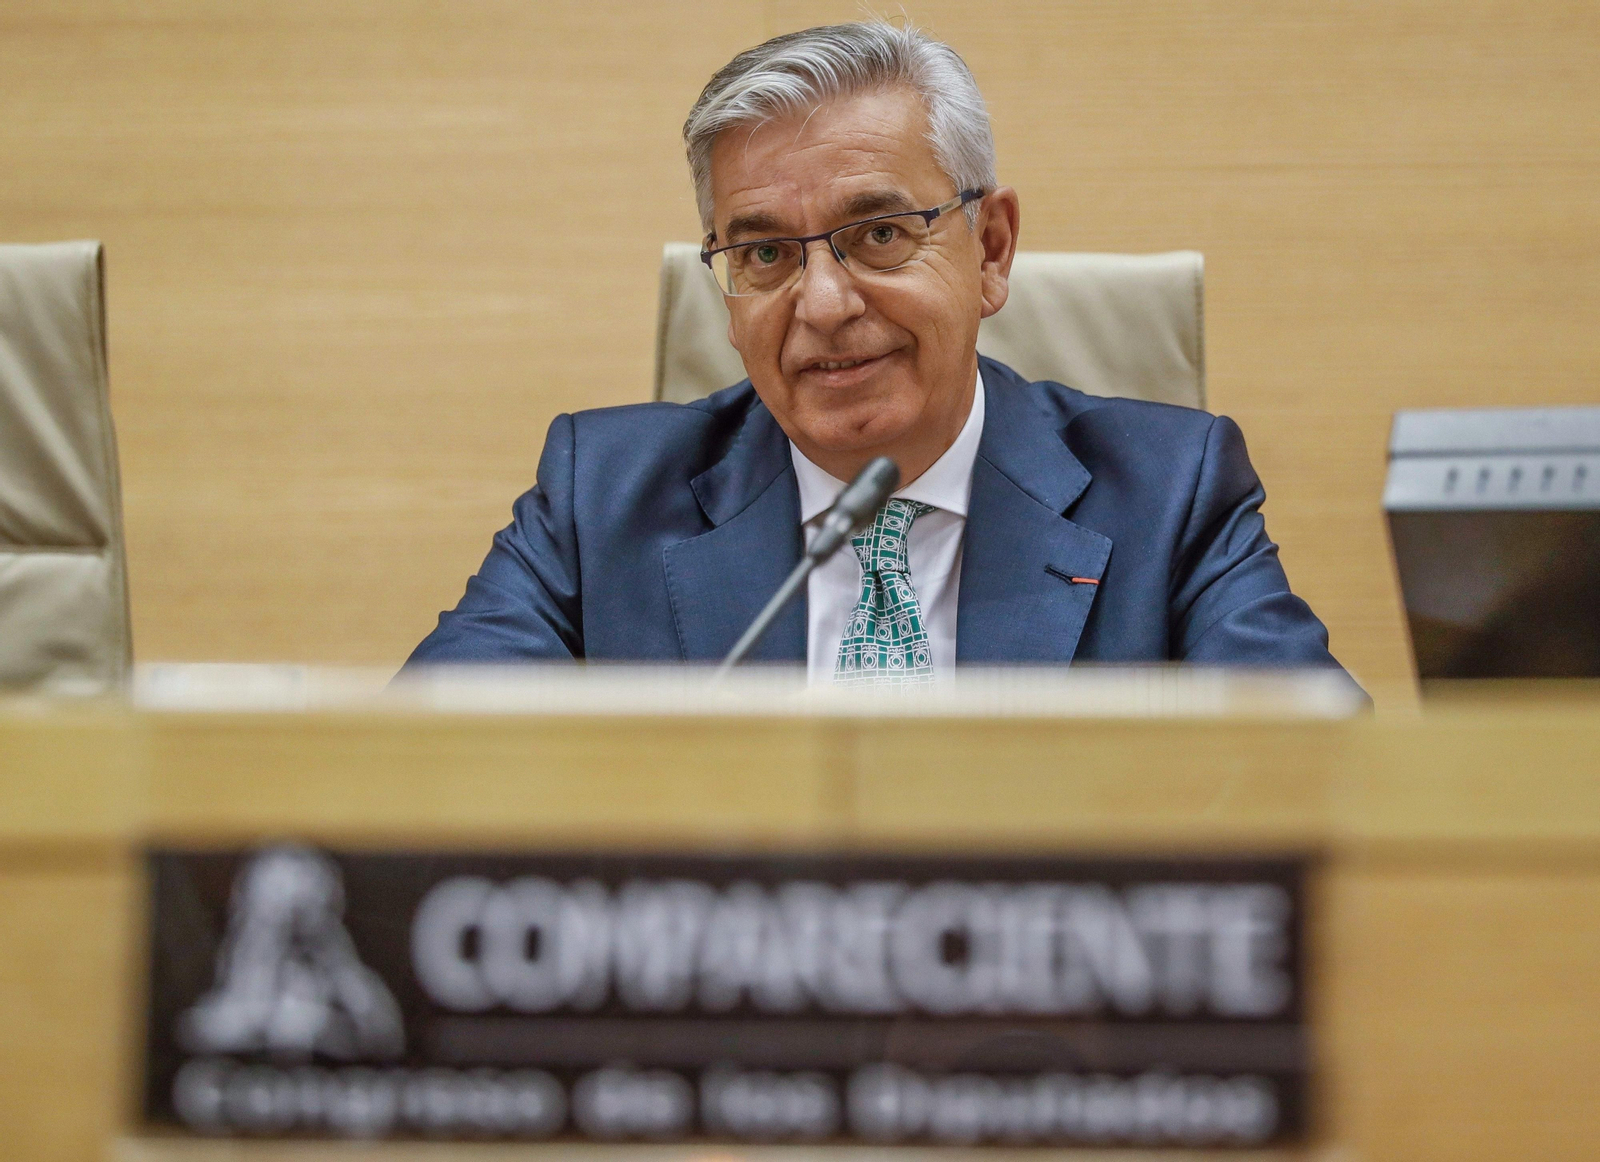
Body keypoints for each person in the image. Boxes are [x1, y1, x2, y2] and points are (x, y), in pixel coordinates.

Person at [406, 21, 1349, 682]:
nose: (822, 302)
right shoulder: (598, 499)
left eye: (882, 234)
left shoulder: (1170, 497)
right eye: (765, 252)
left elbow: (1328, 787)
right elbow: (418, 774)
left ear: (991, 248)